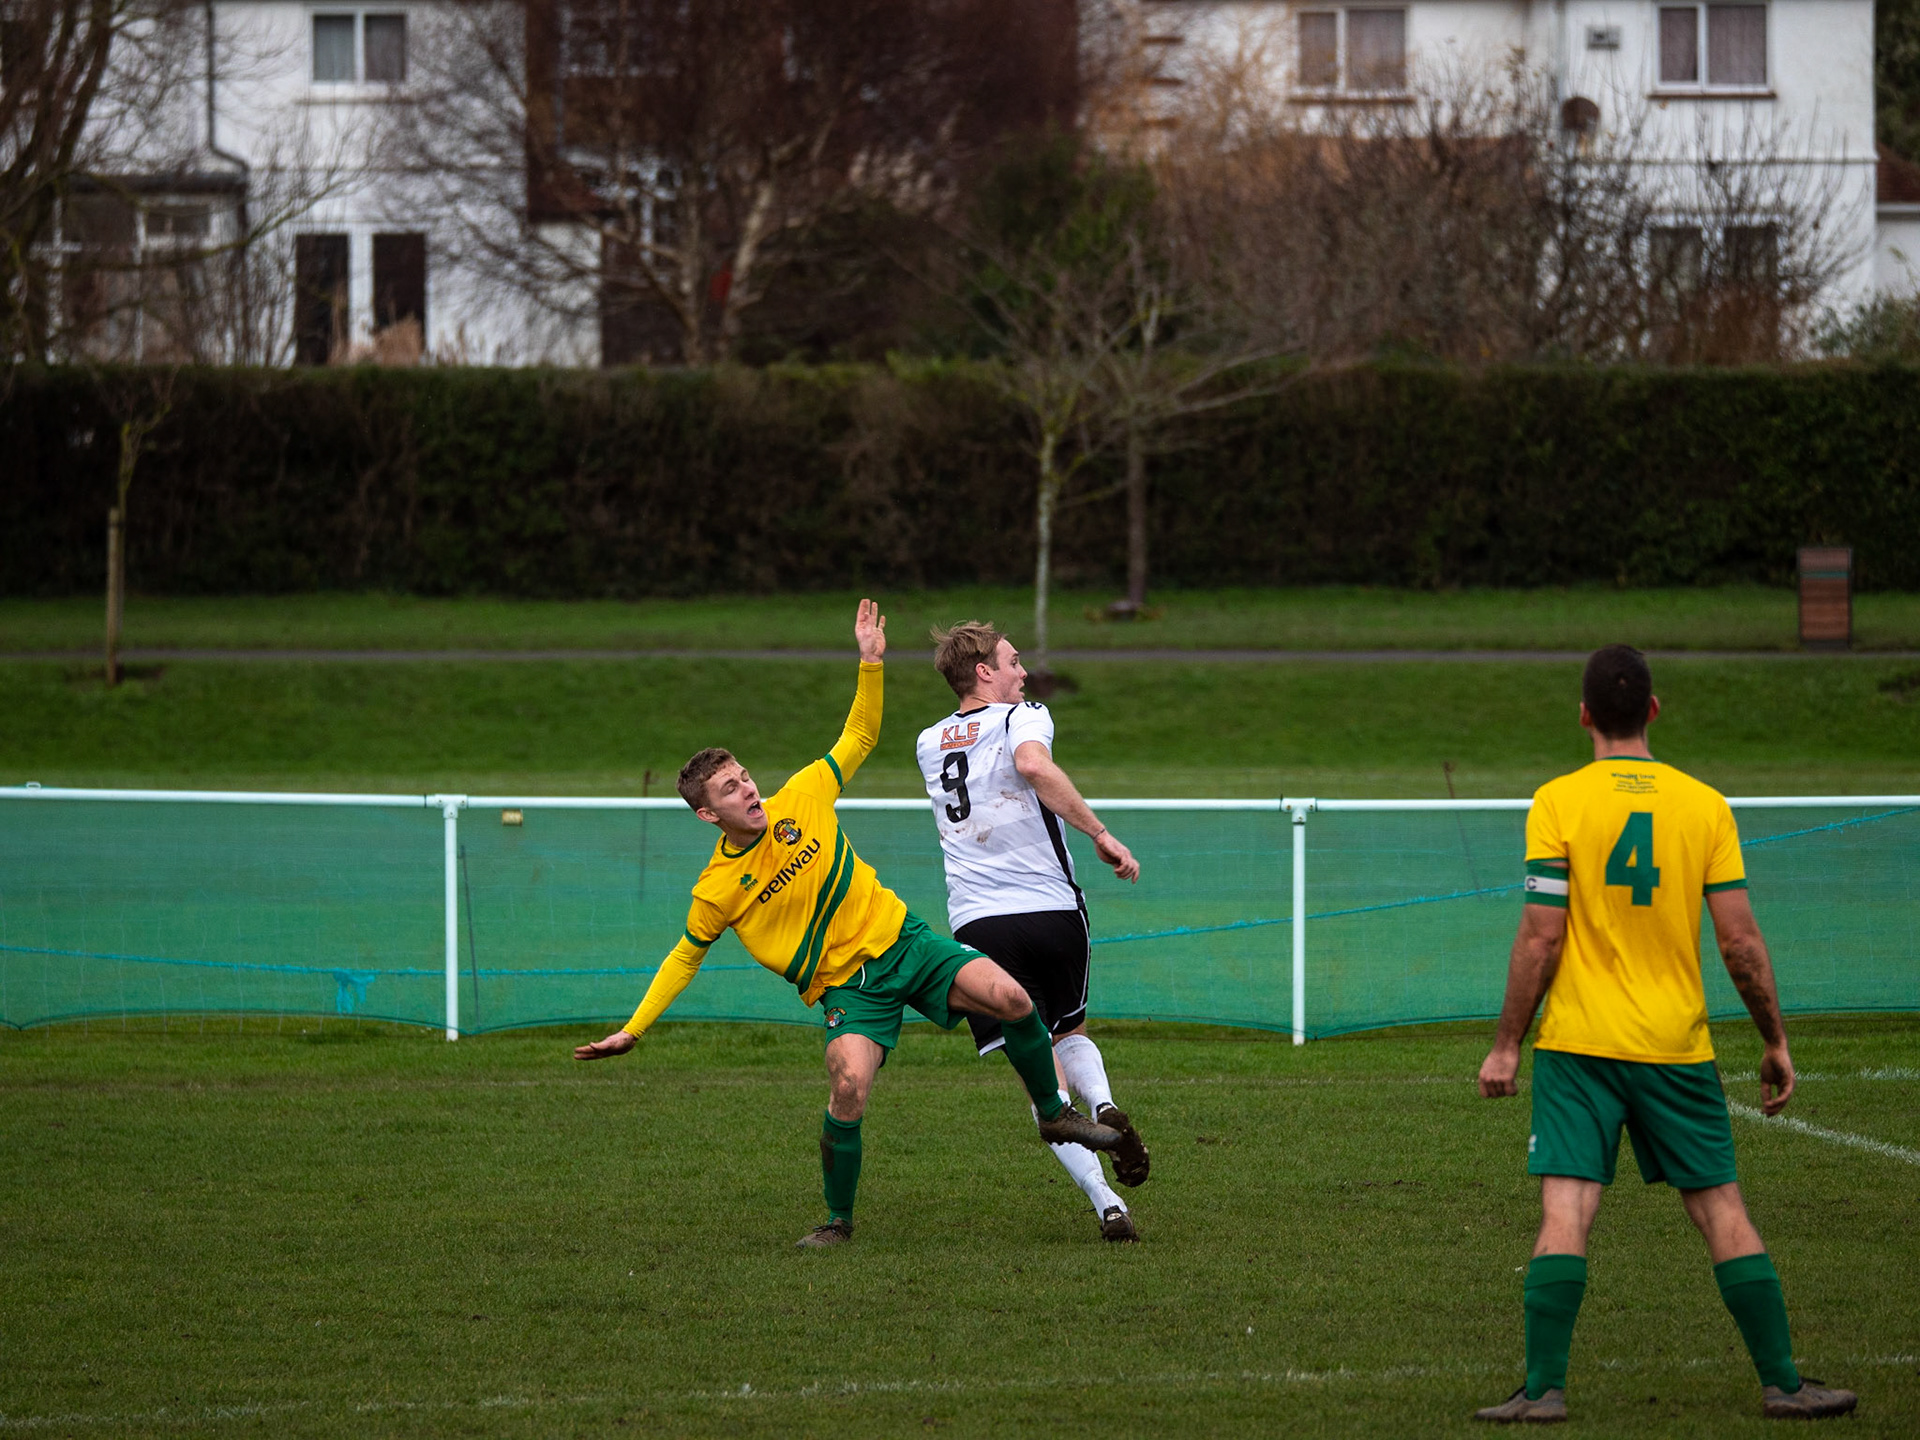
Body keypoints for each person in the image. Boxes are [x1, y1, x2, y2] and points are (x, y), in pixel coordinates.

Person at [574, 599, 1121, 1248]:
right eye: (730, 790)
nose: (748, 790)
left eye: (744, 778)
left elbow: (858, 737)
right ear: (707, 815)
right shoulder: (716, 889)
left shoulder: (802, 795)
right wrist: (633, 1029)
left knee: (1014, 999)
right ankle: (837, 1221)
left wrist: (870, 664)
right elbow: (684, 957)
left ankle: (1055, 1115)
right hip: (848, 989)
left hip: (907, 945)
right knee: (848, 1087)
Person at [1473, 644, 1856, 1423]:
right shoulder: (1704, 806)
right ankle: (1784, 1384)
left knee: (1566, 1211)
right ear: (1653, 710)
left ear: (1584, 715)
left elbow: (1542, 936)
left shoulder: (1556, 802)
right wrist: (1774, 1040)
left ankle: (1543, 1391)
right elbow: (1740, 943)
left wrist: (1508, 1043)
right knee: (1721, 1210)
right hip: (1677, 1047)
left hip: (1579, 1046)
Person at [914, 621, 1150, 1244]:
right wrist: (1100, 832)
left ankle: (1106, 1203)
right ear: (984, 672)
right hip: (1051, 908)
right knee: (1070, 1031)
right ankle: (1103, 1103)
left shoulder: (928, 741)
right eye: (1013, 662)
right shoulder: (1024, 715)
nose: (1023, 673)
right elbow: (1031, 765)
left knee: (1039, 1074)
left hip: (979, 923)